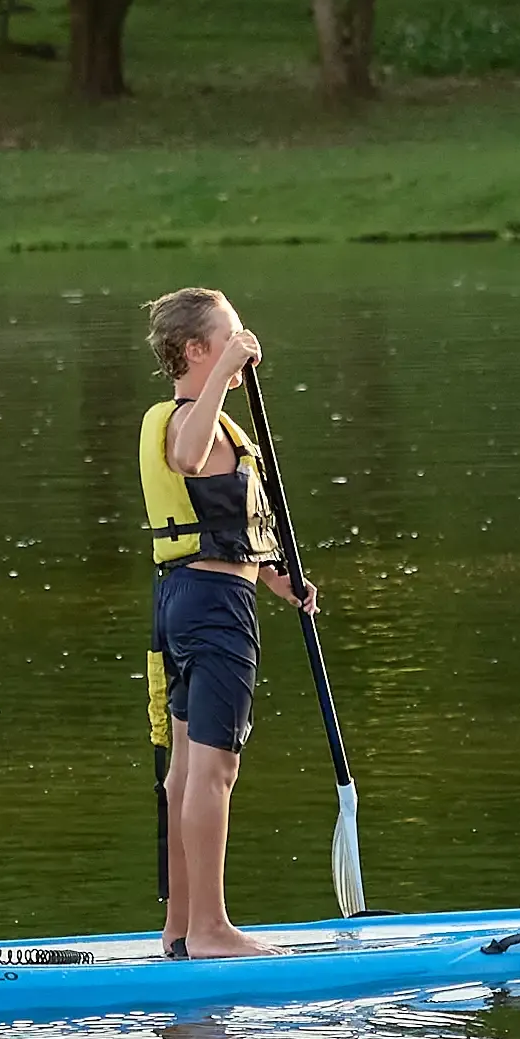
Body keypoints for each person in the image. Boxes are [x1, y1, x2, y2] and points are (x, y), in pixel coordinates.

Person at [136, 287, 318, 958]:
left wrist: (276, 577)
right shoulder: (190, 421)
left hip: (192, 597)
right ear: (195, 351)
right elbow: (187, 458)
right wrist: (224, 374)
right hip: (211, 612)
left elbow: (222, 525)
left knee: (188, 771)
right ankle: (212, 929)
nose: (245, 345)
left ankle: (181, 930)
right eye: (231, 337)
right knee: (213, 771)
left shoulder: (210, 424)